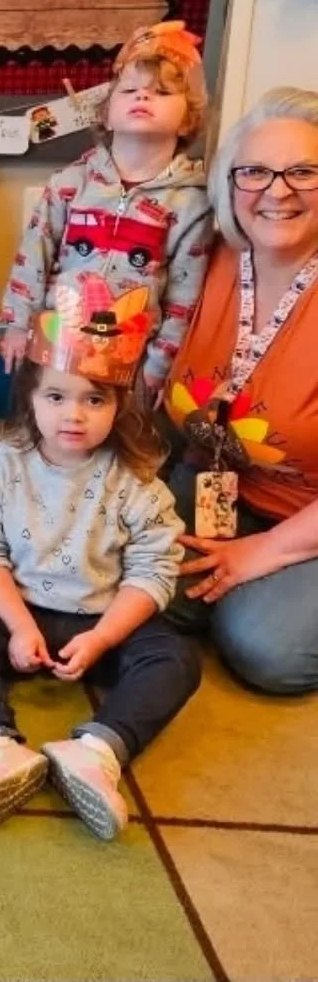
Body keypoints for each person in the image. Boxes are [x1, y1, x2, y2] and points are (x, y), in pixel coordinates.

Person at [0, 278, 200, 840]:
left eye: (94, 399)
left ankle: (97, 751)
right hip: (19, 610)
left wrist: (103, 638)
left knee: (177, 659)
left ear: (120, 405)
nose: (73, 415)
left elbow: (155, 570)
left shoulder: (137, 482)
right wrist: (17, 625)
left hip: (106, 618)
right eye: (56, 397)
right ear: (30, 401)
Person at [164, 87, 318, 694]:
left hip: (305, 513)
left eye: (303, 172)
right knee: (109, 576)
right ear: (228, 183)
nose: (277, 192)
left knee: (265, 649)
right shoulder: (206, 255)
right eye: (254, 172)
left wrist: (268, 551)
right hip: (217, 484)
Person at [0, 21, 213, 398]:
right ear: (107, 114)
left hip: (132, 357)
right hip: (56, 342)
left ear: (187, 121)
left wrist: (159, 365)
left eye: (161, 92)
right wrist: (16, 323)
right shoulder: (69, 183)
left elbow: (184, 294)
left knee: (117, 431)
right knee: (50, 422)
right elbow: (33, 255)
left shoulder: (192, 202)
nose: (142, 95)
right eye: (129, 90)